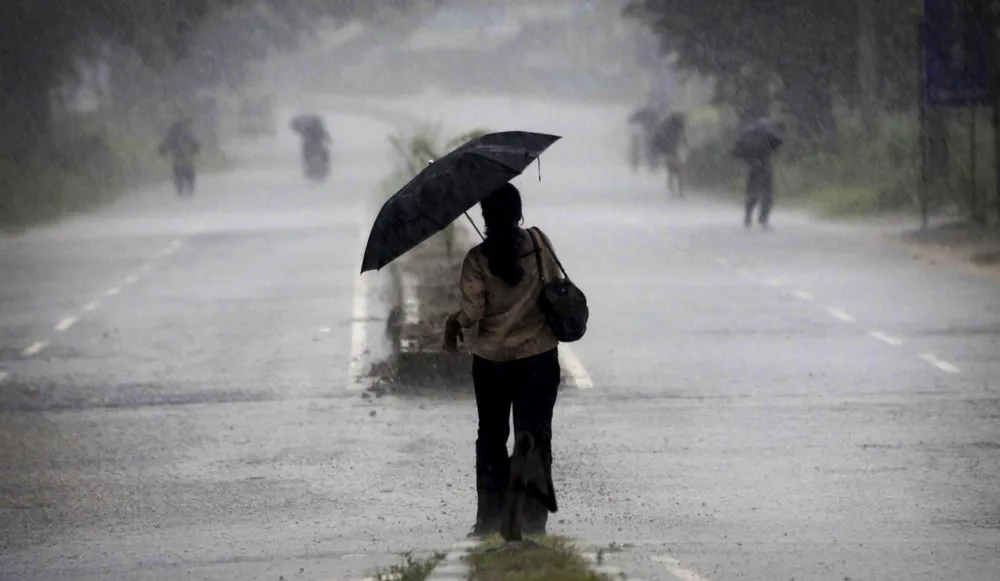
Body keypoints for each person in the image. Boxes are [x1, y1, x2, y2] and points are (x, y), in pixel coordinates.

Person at [442, 183, 563, 538]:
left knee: (492, 437)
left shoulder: (478, 259)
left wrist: (454, 322)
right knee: (534, 436)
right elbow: (553, 284)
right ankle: (533, 519)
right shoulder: (539, 243)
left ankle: (490, 520)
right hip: (539, 358)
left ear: (485, 217)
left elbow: (473, 310)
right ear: (519, 212)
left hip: (493, 363)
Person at [158, 118, 200, 196]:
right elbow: (195, 144)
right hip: (186, 157)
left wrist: (162, 151)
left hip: (177, 158)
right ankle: (189, 188)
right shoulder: (187, 133)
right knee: (189, 171)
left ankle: (180, 189)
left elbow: (165, 145)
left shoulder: (171, 134)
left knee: (177, 173)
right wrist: (195, 149)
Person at [653, 113, 687, 197]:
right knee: (680, 171)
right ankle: (680, 190)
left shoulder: (665, 128)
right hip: (676, 151)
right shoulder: (679, 129)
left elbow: (659, 140)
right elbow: (683, 140)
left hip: (668, 152)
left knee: (671, 171)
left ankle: (671, 188)